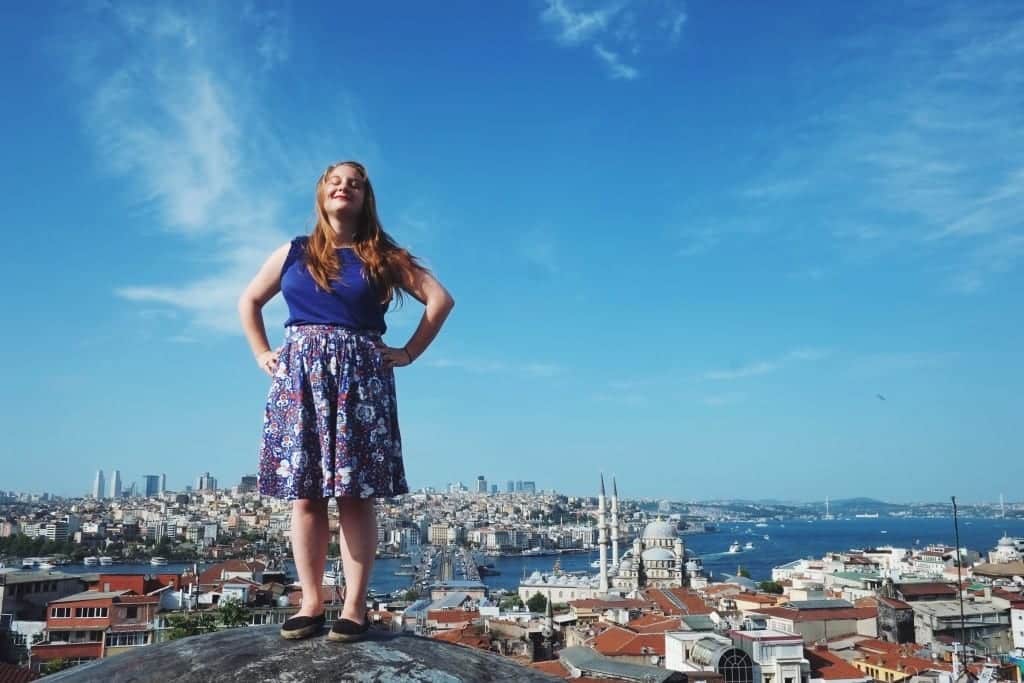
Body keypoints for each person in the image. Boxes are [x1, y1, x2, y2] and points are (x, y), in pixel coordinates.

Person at [238, 160, 454, 641]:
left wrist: (409, 353)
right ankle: (311, 602)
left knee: (356, 496)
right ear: (321, 194)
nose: (344, 188)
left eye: (354, 184)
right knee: (307, 495)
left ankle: (354, 607)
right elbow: (249, 301)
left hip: (358, 378)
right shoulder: (294, 252)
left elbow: (440, 300)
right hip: (300, 378)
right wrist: (262, 353)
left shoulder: (382, 256)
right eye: (336, 182)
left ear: (365, 198)